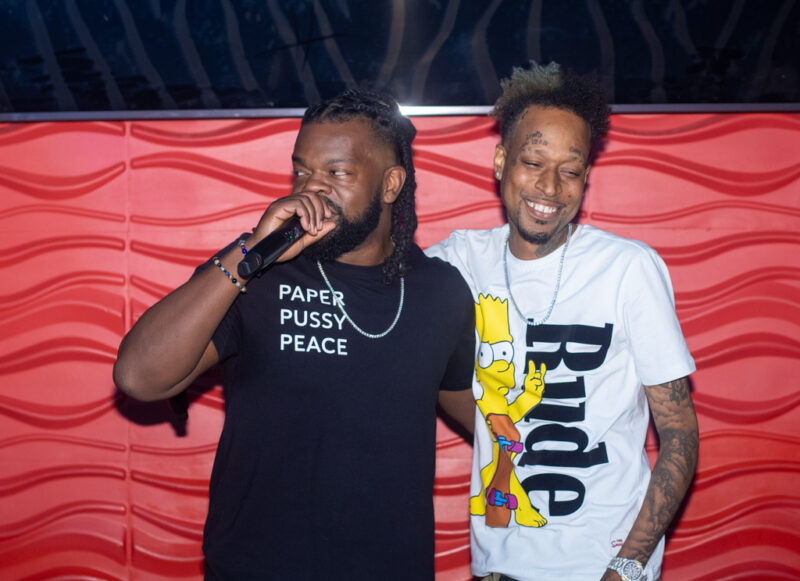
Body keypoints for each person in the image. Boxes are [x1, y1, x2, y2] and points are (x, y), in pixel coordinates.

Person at [113, 88, 477, 580]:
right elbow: (138, 377)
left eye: (337, 173)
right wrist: (250, 255)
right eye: (302, 172)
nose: (313, 189)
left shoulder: (440, 290)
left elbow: (477, 411)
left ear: (391, 184)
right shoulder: (257, 273)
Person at [426, 62, 699, 581]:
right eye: (533, 162)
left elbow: (680, 434)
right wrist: (500, 426)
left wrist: (626, 567)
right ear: (501, 160)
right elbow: (382, 310)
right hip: (500, 567)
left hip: (604, 565)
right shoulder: (458, 262)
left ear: (585, 178)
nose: (549, 186)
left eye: (570, 171)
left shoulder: (627, 268)